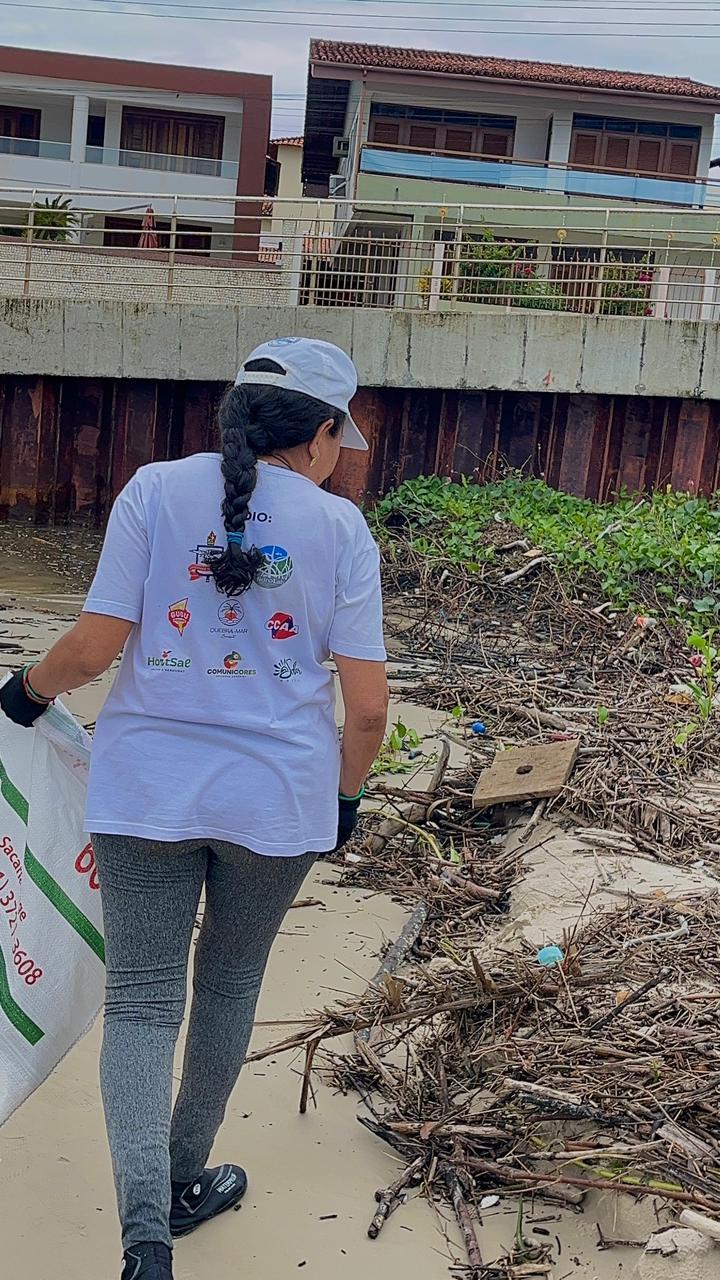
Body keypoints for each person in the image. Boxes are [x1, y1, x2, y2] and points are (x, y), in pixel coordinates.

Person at [0, 338, 389, 1280]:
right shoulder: (342, 530)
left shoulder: (153, 490)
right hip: (279, 804)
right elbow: (369, 712)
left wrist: (23, 695)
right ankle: (181, 1183)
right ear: (322, 433)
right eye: (339, 441)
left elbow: (92, 650)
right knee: (228, 987)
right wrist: (344, 800)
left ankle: (144, 1241)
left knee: (141, 1004)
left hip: (144, 795)